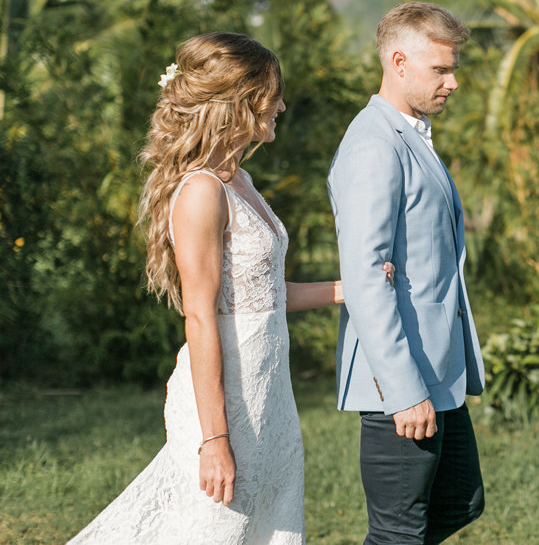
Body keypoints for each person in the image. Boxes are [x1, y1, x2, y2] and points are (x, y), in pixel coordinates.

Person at [69, 32, 391, 544]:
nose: (281, 104)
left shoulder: (238, 178)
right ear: (237, 101)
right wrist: (214, 438)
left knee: (269, 529)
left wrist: (349, 287)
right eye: (271, 94)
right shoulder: (201, 191)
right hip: (226, 404)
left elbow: (263, 298)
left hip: (271, 397)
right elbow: (200, 317)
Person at [327, 2, 486, 544]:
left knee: (461, 501)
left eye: (453, 67)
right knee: (398, 534)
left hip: (438, 371)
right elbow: (367, 276)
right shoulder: (374, 145)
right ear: (399, 62)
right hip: (399, 379)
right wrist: (402, 389)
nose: (454, 82)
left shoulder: (410, 135)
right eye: (441, 69)